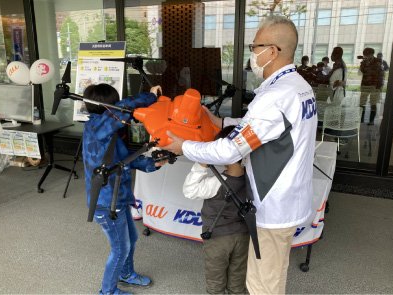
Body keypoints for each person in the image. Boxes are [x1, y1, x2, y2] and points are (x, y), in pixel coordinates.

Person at [162, 16, 317, 295]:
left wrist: (183, 146)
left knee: (262, 283)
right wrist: (221, 123)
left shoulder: (276, 96)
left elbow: (229, 150)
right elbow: (265, 129)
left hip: (275, 203)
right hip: (290, 195)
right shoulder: (299, 87)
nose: (252, 54)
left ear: (272, 51)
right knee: (270, 273)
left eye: (255, 46)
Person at [81, 83, 165, 295]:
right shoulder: (98, 128)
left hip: (120, 197)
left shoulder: (108, 133)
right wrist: (150, 96)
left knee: (131, 240)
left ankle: (126, 274)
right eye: (115, 103)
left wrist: (151, 164)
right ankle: (107, 291)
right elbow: (124, 107)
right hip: (107, 203)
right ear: (109, 106)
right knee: (120, 249)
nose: (120, 106)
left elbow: (125, 160)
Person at [182, 125, 249, 295]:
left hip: (217, 238)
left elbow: (190, 190)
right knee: (238, 278)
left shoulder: (216, 183)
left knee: (215, 280)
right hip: (243, 235)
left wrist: (202, 163)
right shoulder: (252, 179)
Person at [360, 47, 384, 125]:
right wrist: (364, 63)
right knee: (362, 102)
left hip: (374, 85)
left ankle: (371, 120)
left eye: (367, 55)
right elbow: (361, 71)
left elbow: (379, 73)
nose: (366, 56)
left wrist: (379, 86)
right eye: (365, 55)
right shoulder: (364, 62)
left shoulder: (378, 61)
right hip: (365, 84)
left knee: (373, 103)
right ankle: (361, 119)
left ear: (371, 54)